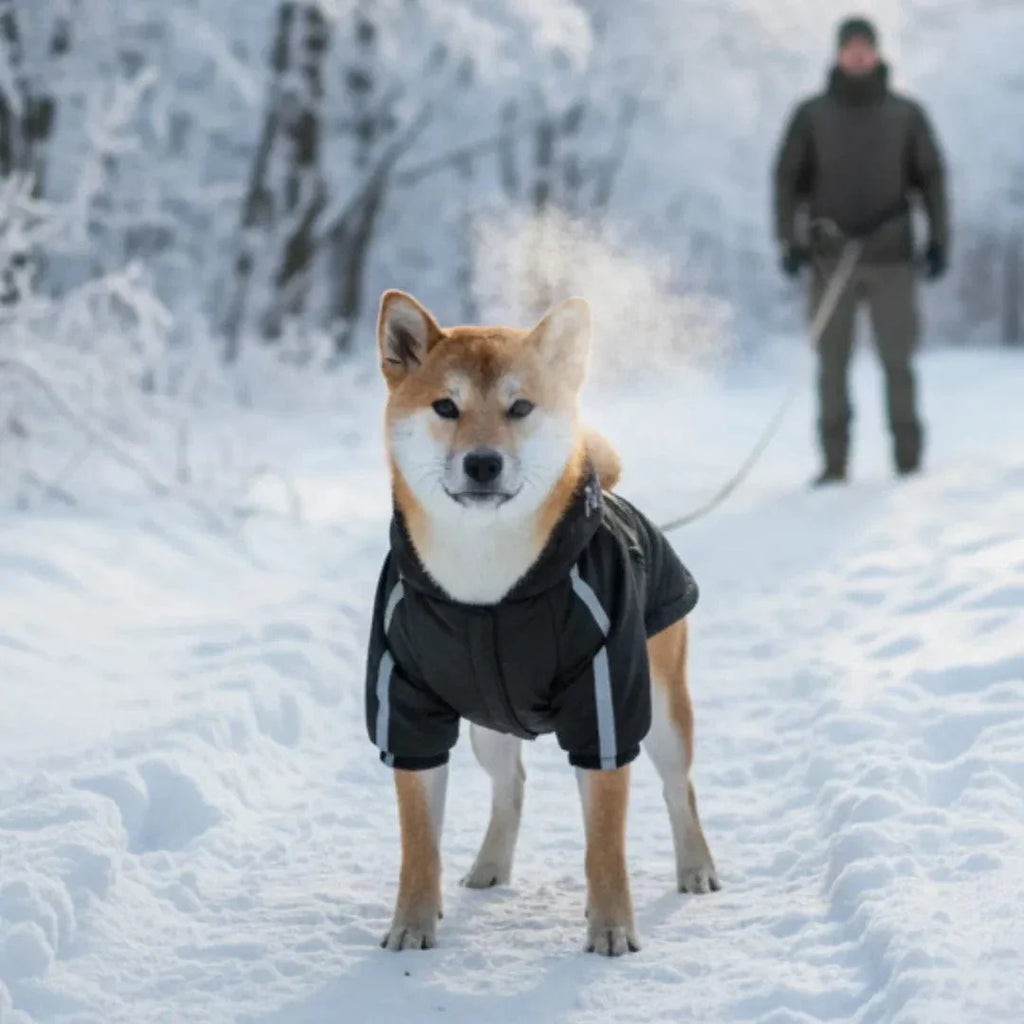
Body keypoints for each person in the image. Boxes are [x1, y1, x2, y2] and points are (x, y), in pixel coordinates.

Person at [774, 16, 949, 485]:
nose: (857, 55)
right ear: (837, 53)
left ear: (876, 53)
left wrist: (939, 240)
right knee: (832, 367)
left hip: (892, 257)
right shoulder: (810, 115)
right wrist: (788, 240)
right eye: (849, 47)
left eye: (864, 47)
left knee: (899, 362)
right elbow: (787, 179)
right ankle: (834, 464)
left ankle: (908, 461)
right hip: (830, 259)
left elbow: (932, 178)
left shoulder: (906, 114)